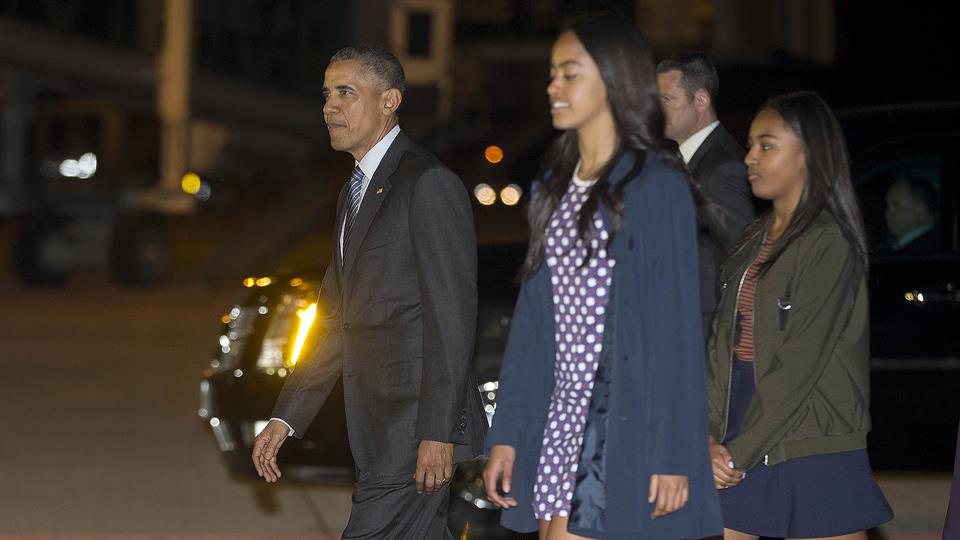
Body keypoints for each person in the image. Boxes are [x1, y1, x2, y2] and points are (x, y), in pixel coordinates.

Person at [482, 13, 722, 540]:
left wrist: (675, 453)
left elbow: (677, 330)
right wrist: (508, 433)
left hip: (624, 419)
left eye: (570, 73)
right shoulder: (554, 183)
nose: (553, 85)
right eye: (552, 72)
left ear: (614, 79)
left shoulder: (657, 184)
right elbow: (531, 322)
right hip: (559, 418)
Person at [251, 44, 486, 539]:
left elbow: (452, 318)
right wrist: (285, 417)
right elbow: (337, 319)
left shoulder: (428, 183)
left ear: (389, 101)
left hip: (414, 432)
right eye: (326, 94)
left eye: (346, 93)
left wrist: (438, 432)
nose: (329, 107)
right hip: (375, 430)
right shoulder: (355, 190)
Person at [706, 91, 893, 539]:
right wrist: (709, 438)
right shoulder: (754, 238)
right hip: (741, 428)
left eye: (766, 145)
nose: (750, 157)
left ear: (809, 153)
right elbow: (720, 346)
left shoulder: (829, 242)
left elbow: (799, 364)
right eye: (751, 144)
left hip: (811, 439)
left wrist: (735, 453)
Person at [656, 53, 755, 331]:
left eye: (667, 100)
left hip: (709, 329)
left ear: (700, 100)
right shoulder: (690, 160)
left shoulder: (721, 168)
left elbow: (741, 259)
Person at [884, 177, 938, 251]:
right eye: (888, 206)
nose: (887, 213)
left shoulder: (924, 252)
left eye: (896, 205)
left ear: (920, 210)